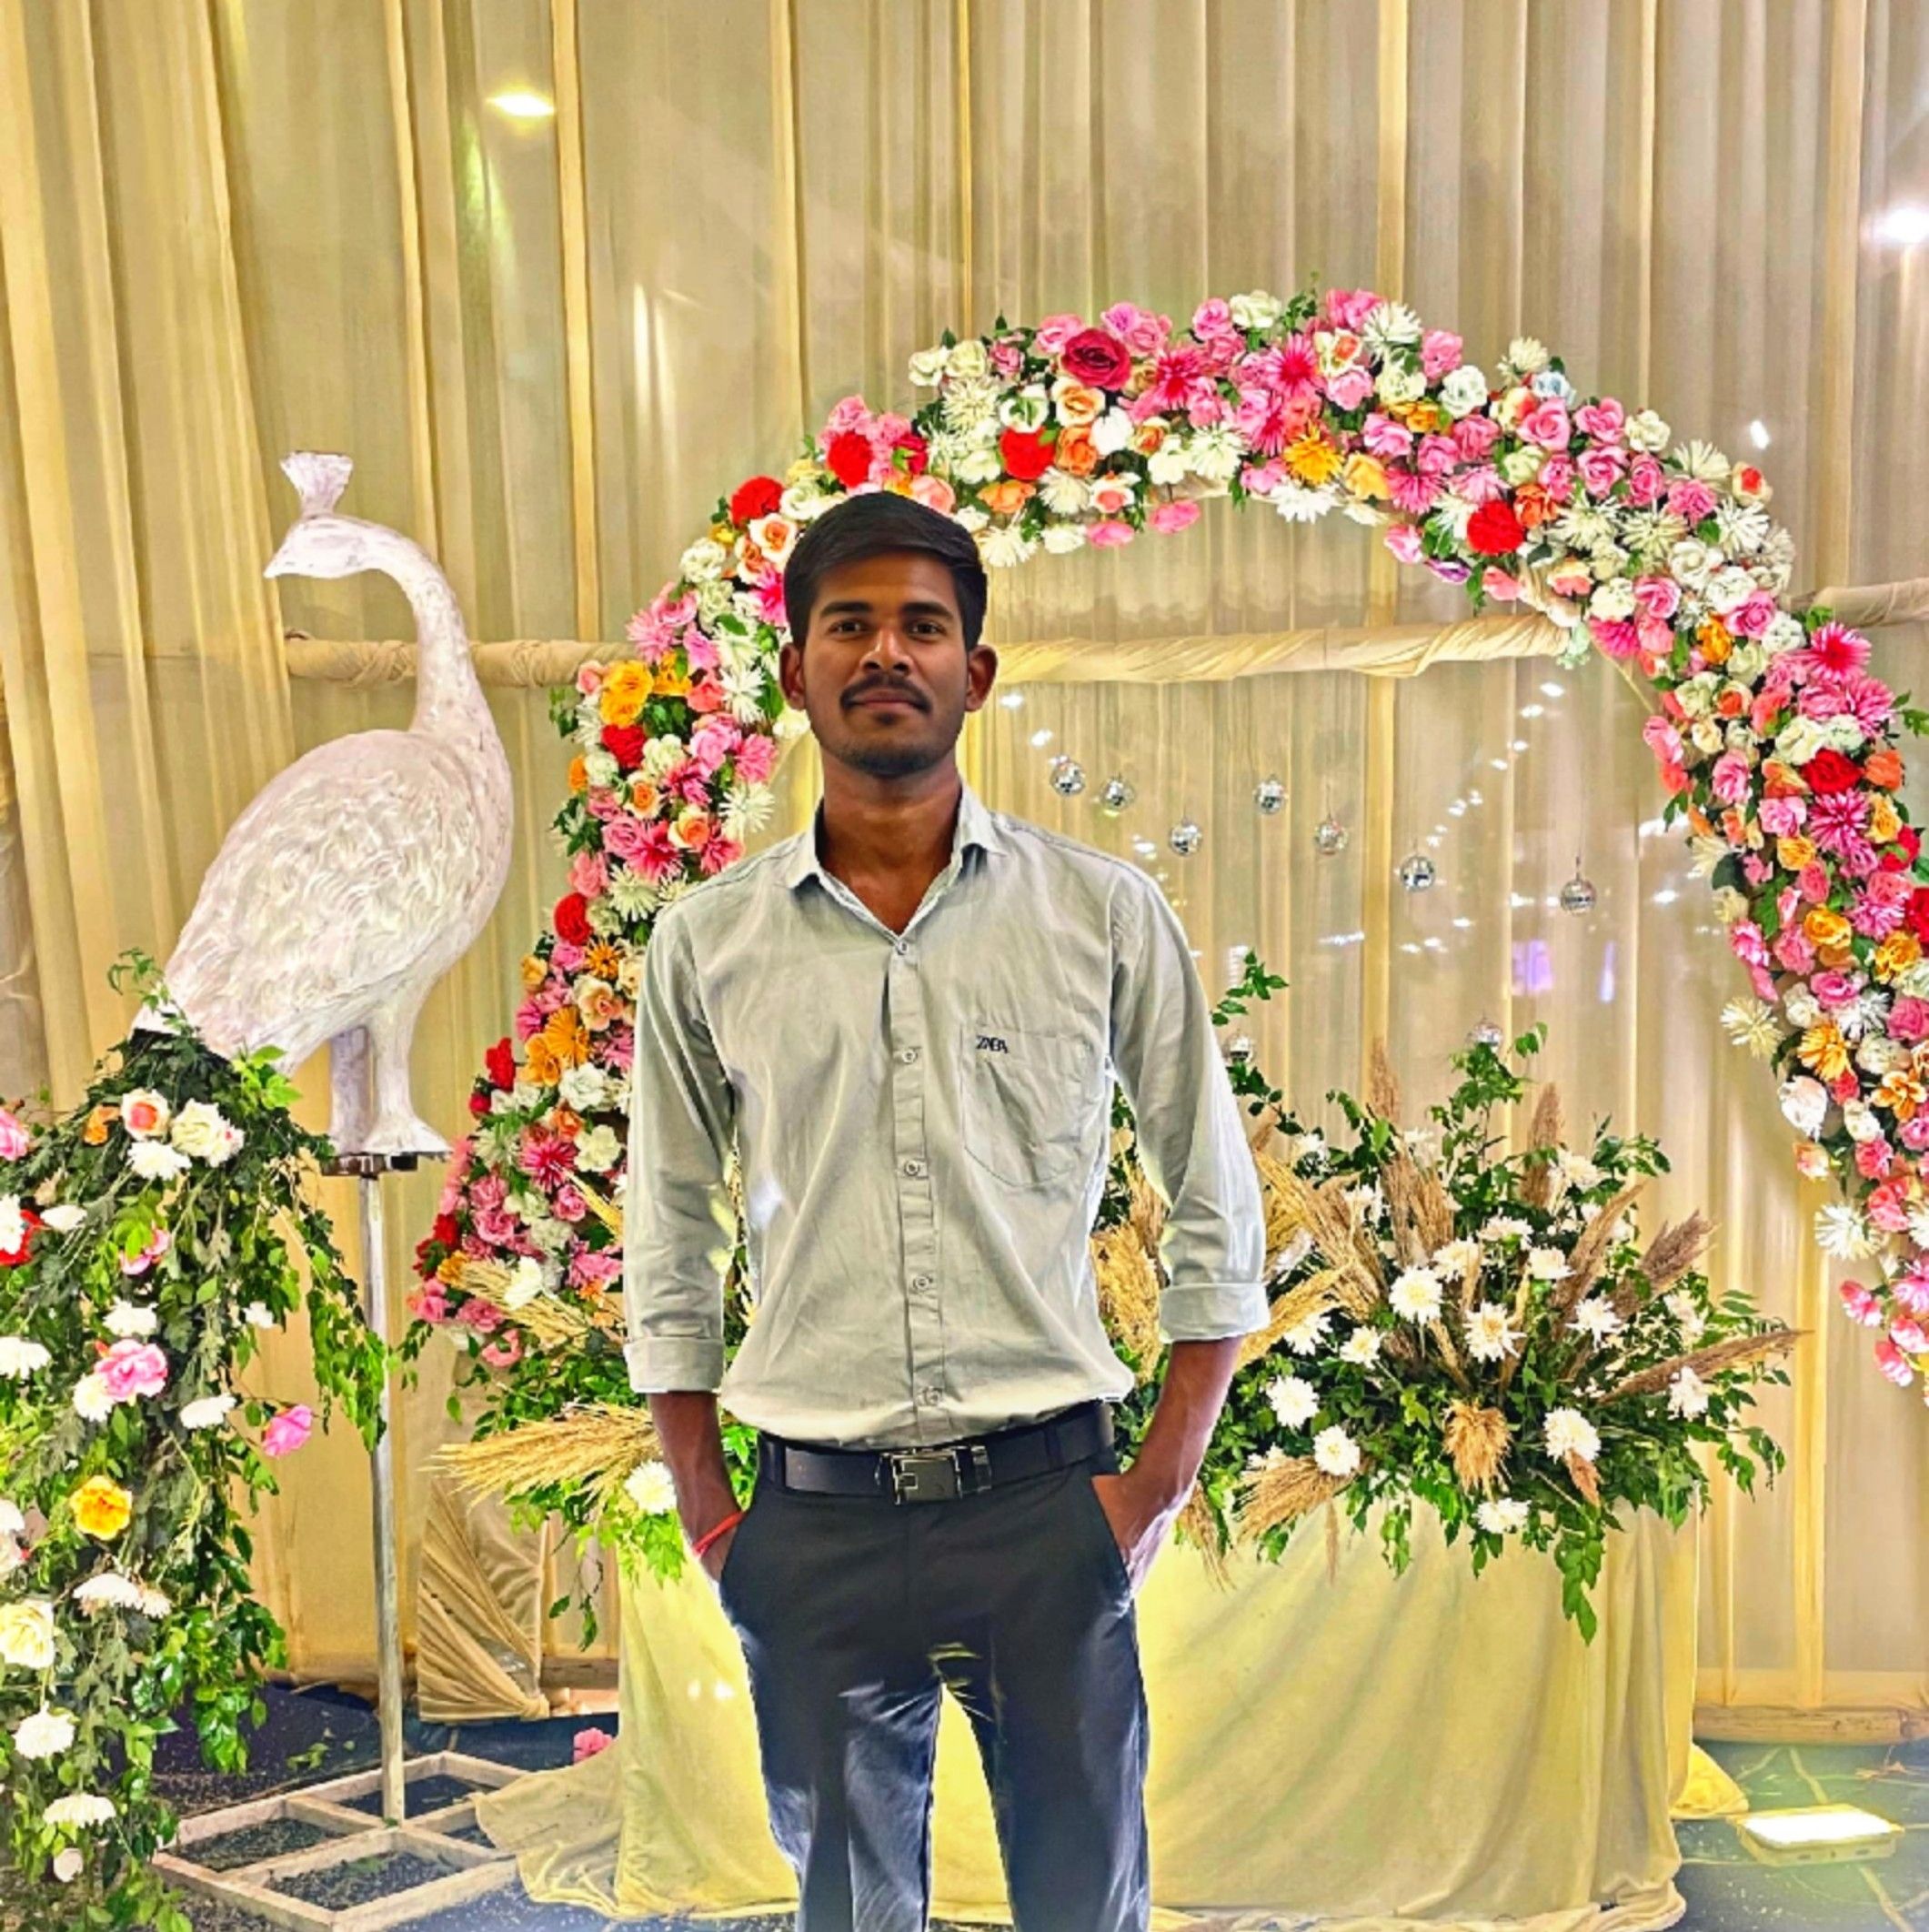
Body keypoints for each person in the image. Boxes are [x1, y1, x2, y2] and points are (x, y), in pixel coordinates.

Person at [625, 490, 1267, 1932]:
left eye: (921, 626)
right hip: (812, 1520)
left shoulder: (1098, 915)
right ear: (795, 673)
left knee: (1081, 1900)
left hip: (1048, 1513)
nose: (884, 653)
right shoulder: (709, 943)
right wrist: (711, 1512)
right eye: (847, 625)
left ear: (973, 673)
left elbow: (1212, 1201)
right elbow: (668, 1231)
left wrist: (1155, 1486)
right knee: (847, 1912)